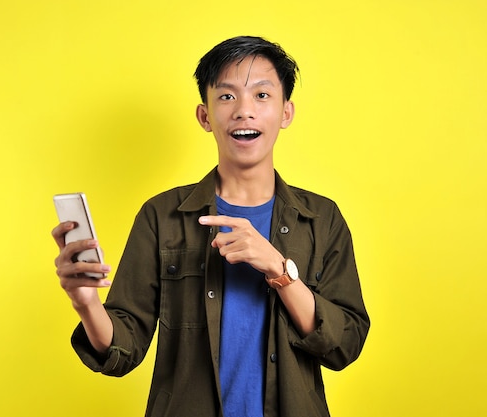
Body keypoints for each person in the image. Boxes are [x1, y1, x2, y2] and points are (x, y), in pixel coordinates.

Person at [52, 36, 370, 417]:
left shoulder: (322, 218)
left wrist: (281, 272)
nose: (244, 111)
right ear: (205, 116)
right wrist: (86, 304)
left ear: (286, 113)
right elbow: (123, 351)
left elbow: (345, 344)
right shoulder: (162, 216)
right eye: (227, 96)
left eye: (262, 95)